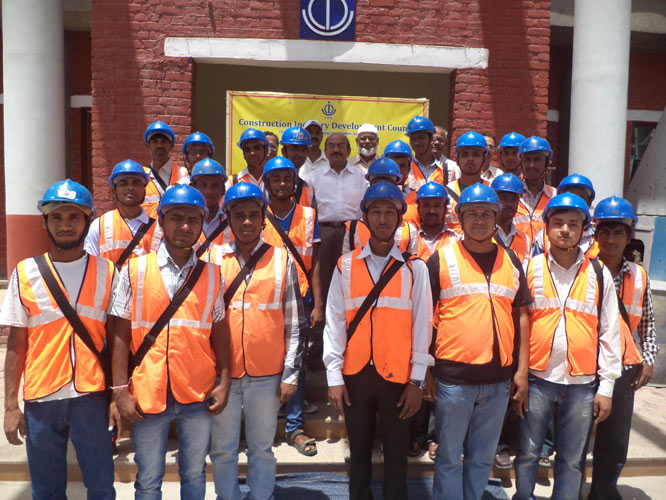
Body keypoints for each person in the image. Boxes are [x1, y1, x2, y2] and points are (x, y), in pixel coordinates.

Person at [110, 184, 230, 499]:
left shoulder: (213, 275)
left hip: (197, 391)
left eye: (193, 219)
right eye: (176, 218)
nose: (185, 226)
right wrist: (119, 390)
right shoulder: (134, 270)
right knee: (149, 479)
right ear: (161, 221)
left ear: (202, 224)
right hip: (148, 392)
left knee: (194, 473)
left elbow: (220, 330)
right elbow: (120, 334)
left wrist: (225, 380)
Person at [2, 179, 118, 499]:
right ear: (45, 222)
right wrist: (10, 405)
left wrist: (118, 395)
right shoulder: (25, 272)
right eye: (56, 216)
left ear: (87, 220)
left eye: (74, 216)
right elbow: (16, 343)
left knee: (101, 487)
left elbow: (118, 340)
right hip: (41, 399)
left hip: (91, 397)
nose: (65, 224)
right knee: (46, 491)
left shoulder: (108, 272)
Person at [324, 181, 433, 500]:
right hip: (355, 375)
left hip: (398, 379)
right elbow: (334, 322)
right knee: (358, 453)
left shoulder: (415, 269)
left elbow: (422, 328)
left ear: (400, 219)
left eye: (390, 212)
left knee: (397, 454)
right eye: (376, 212)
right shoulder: (345, 266)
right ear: (365, 218)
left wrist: (417, 382)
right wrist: (333, 377)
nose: (383, 219)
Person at [513, 193, 622, 500]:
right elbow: (518, 325)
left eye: (573, 224)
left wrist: (607, 386)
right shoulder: (529, 268)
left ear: (584, 230)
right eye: (558, 223)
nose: (565, 230)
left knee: (572, 460)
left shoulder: (598, 273)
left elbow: (609, 332)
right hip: (537, 378)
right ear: (546, 227)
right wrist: (518, 374)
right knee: (528, 452)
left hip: (582, 384)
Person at [426, 183, 530, 500]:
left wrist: (522, 371)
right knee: (449, 457)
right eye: (472, 213)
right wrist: (424, 371)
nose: (480, 220)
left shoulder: (511, 260)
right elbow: (423, 319)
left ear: (497, 217)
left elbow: (522, 316)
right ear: (460, 218)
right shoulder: (441, 259)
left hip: (498, 381)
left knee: (482, 458)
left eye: (487, 213)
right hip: (453, 380)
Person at [207, 182, 305, 500]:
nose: (247, 221)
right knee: (222, 449)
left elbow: (295, 323)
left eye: (253, 214)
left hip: (267, 375)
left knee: (262, 447)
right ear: (228, 218)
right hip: (223, 375)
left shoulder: (282, 260)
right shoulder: (213, 258)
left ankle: (262, 495)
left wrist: (291, 375)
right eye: (239, 215)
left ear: (264, 218)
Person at [589, 196, 658, 500]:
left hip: (624, 368)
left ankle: (603, 492)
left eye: (618, 233)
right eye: (605, 232)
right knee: (577, 438)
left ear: (629, 237)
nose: (611, 239)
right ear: (596, 235)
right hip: (586, 366)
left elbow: (648, 321)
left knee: (615, 442)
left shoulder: (639, 276)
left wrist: (648, 358)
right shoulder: (584, 271)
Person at [261, 156, 323, 457]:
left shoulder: (309, 216)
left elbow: (317, 265)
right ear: (267, 183)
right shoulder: (257, 215)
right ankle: (265, 422)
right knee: (268, 359)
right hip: (267, 299)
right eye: (276, 178)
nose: (283, 183)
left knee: (296, 362)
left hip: (302, 298)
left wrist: (319, 303)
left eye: (288, 178)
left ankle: (295, 426)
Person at [305, 133, 368, 305]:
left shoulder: (361, 177)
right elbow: (307, 209)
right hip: (323, 233)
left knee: (350, 276)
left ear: (348, 150)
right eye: (331, 146)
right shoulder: (313, 177)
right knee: (323, 276)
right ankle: (322, 314)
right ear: (325, 151)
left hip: (351, 232)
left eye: (340, 146)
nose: (336, 150)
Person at [86, 159, 162, 267]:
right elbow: (90, 265)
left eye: (136, 183)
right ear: (113, 191)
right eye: (123, 183)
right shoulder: (99, 226)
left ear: (144, 190)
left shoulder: (159, 229)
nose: (130, 187)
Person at [342, 157, 418, 255]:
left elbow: (412, 262)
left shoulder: (409, 230)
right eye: (377, 182)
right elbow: (347, 261)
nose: (382, 187)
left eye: (387, 182)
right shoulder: (353, 228)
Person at [531, 173, 598, 258]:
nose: (574, 202)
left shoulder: (598, 236)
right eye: (569, 197)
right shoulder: (542, 237)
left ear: (589, 202)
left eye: (580, 198)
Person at [445, 131, 490, 234]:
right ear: (457, 159)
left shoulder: (492, 190)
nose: (470, 159)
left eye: (476, 155)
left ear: (484, 158)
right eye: (465, 154)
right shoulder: (447, 193)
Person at [513, 136, 556, 243]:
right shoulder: (511, 194)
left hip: (545, 253)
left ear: (547, 163)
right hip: (516, 252)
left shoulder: (555, 196)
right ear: (521, 163)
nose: (531, 165)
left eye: (537, 160)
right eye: (527, 160)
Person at [142, 120, 188, 216]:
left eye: (164, 142)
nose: (159, 146)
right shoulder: (141, 176)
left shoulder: (184, 174)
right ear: (148, 145)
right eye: (155, 142)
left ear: (171, 145)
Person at [189, 158, 233, 253]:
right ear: (193, 188)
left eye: (215, 186)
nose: (209, 191)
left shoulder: (233, 221)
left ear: (223, 189)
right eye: (203, 185)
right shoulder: (184, 221)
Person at [491, 173, 531, 267]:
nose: (509, 204)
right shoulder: (483, 235)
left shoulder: (525, 239)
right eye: (503, 198)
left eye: (513, 200)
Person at [413, 182, 459, 261]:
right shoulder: (410, 240)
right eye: (426, 206)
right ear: (418, 209)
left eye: (437, 206)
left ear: (445, 209)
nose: (432, 211)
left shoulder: (456, 240)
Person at [405, 116, 446, 191]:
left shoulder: (448, 170)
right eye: (413, 138)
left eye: (421, 138)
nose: (416, 143)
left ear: (431, 138)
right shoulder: (405, 168)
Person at [280, 126, 316, 208]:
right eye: (295, 149)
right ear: (283, 151)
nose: (300, 154)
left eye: (304, 150)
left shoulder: (308, 188)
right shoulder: (270, 182)